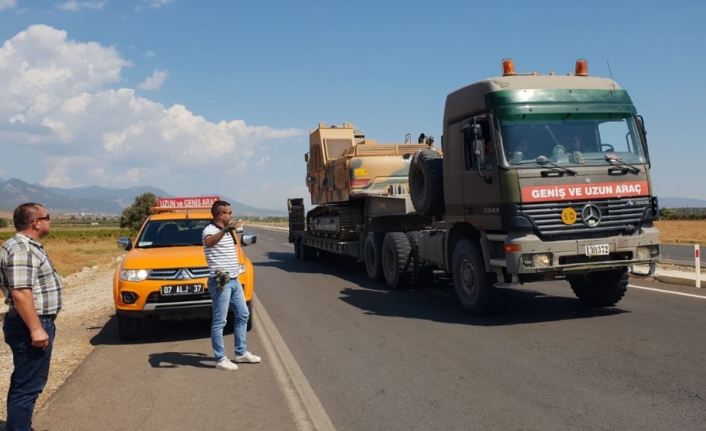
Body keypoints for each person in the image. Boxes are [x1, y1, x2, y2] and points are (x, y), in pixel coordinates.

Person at [1, 203, 63, 430]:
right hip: (29, 324)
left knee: (26, 382)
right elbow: (20, 292)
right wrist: (36, 328)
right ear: (36, 222)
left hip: (30, 322)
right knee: (28, 386)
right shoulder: (22, 250)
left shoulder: (24, 246)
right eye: (47, 217)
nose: (50, 220)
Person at [202, 200, 260, 371]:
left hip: (234, 280)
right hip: (221, 282)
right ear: (221, 215)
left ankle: (240, 353)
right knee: (220, 321)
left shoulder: (226, 231)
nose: (231, 215)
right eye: (229, 212)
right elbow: (209, 242)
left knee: (243, 314)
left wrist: (230, 229)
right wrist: (226, 230)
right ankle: (220, 359)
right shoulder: (210, 230)